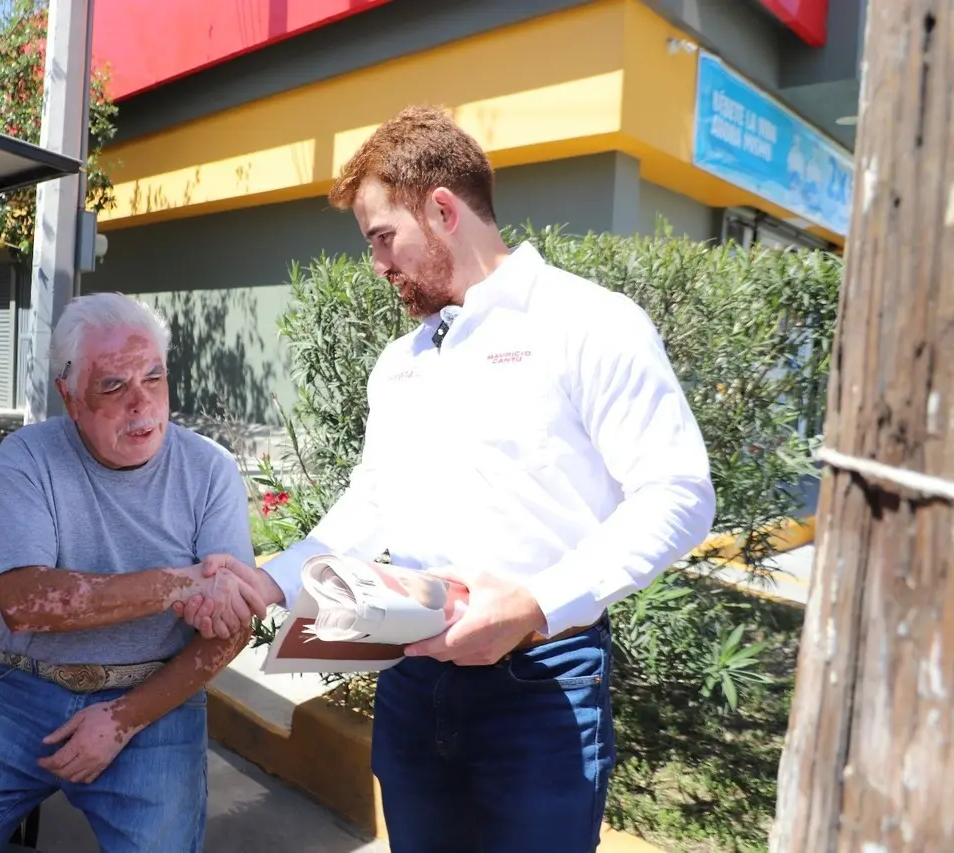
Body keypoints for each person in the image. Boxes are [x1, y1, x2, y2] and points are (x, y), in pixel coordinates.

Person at [178, 106, 717, 852]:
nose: (378, 263)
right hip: (410, 679)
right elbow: (372, 504)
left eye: (382, 237)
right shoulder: (399, 363)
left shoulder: (590, 323)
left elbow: (679, 494)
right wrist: (271, 581)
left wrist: (533, 603)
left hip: (542, 684)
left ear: (442, 209)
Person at [0, 293, 270, 853]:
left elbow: (231, 626)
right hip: (26, 690)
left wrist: (125, 718)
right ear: (69, 395)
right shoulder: (29, 455)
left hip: (155, 700)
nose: (142, 404)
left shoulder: (209, 469)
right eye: (112, 386)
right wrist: (183, 583)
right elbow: (26, 601)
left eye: (154, 378)